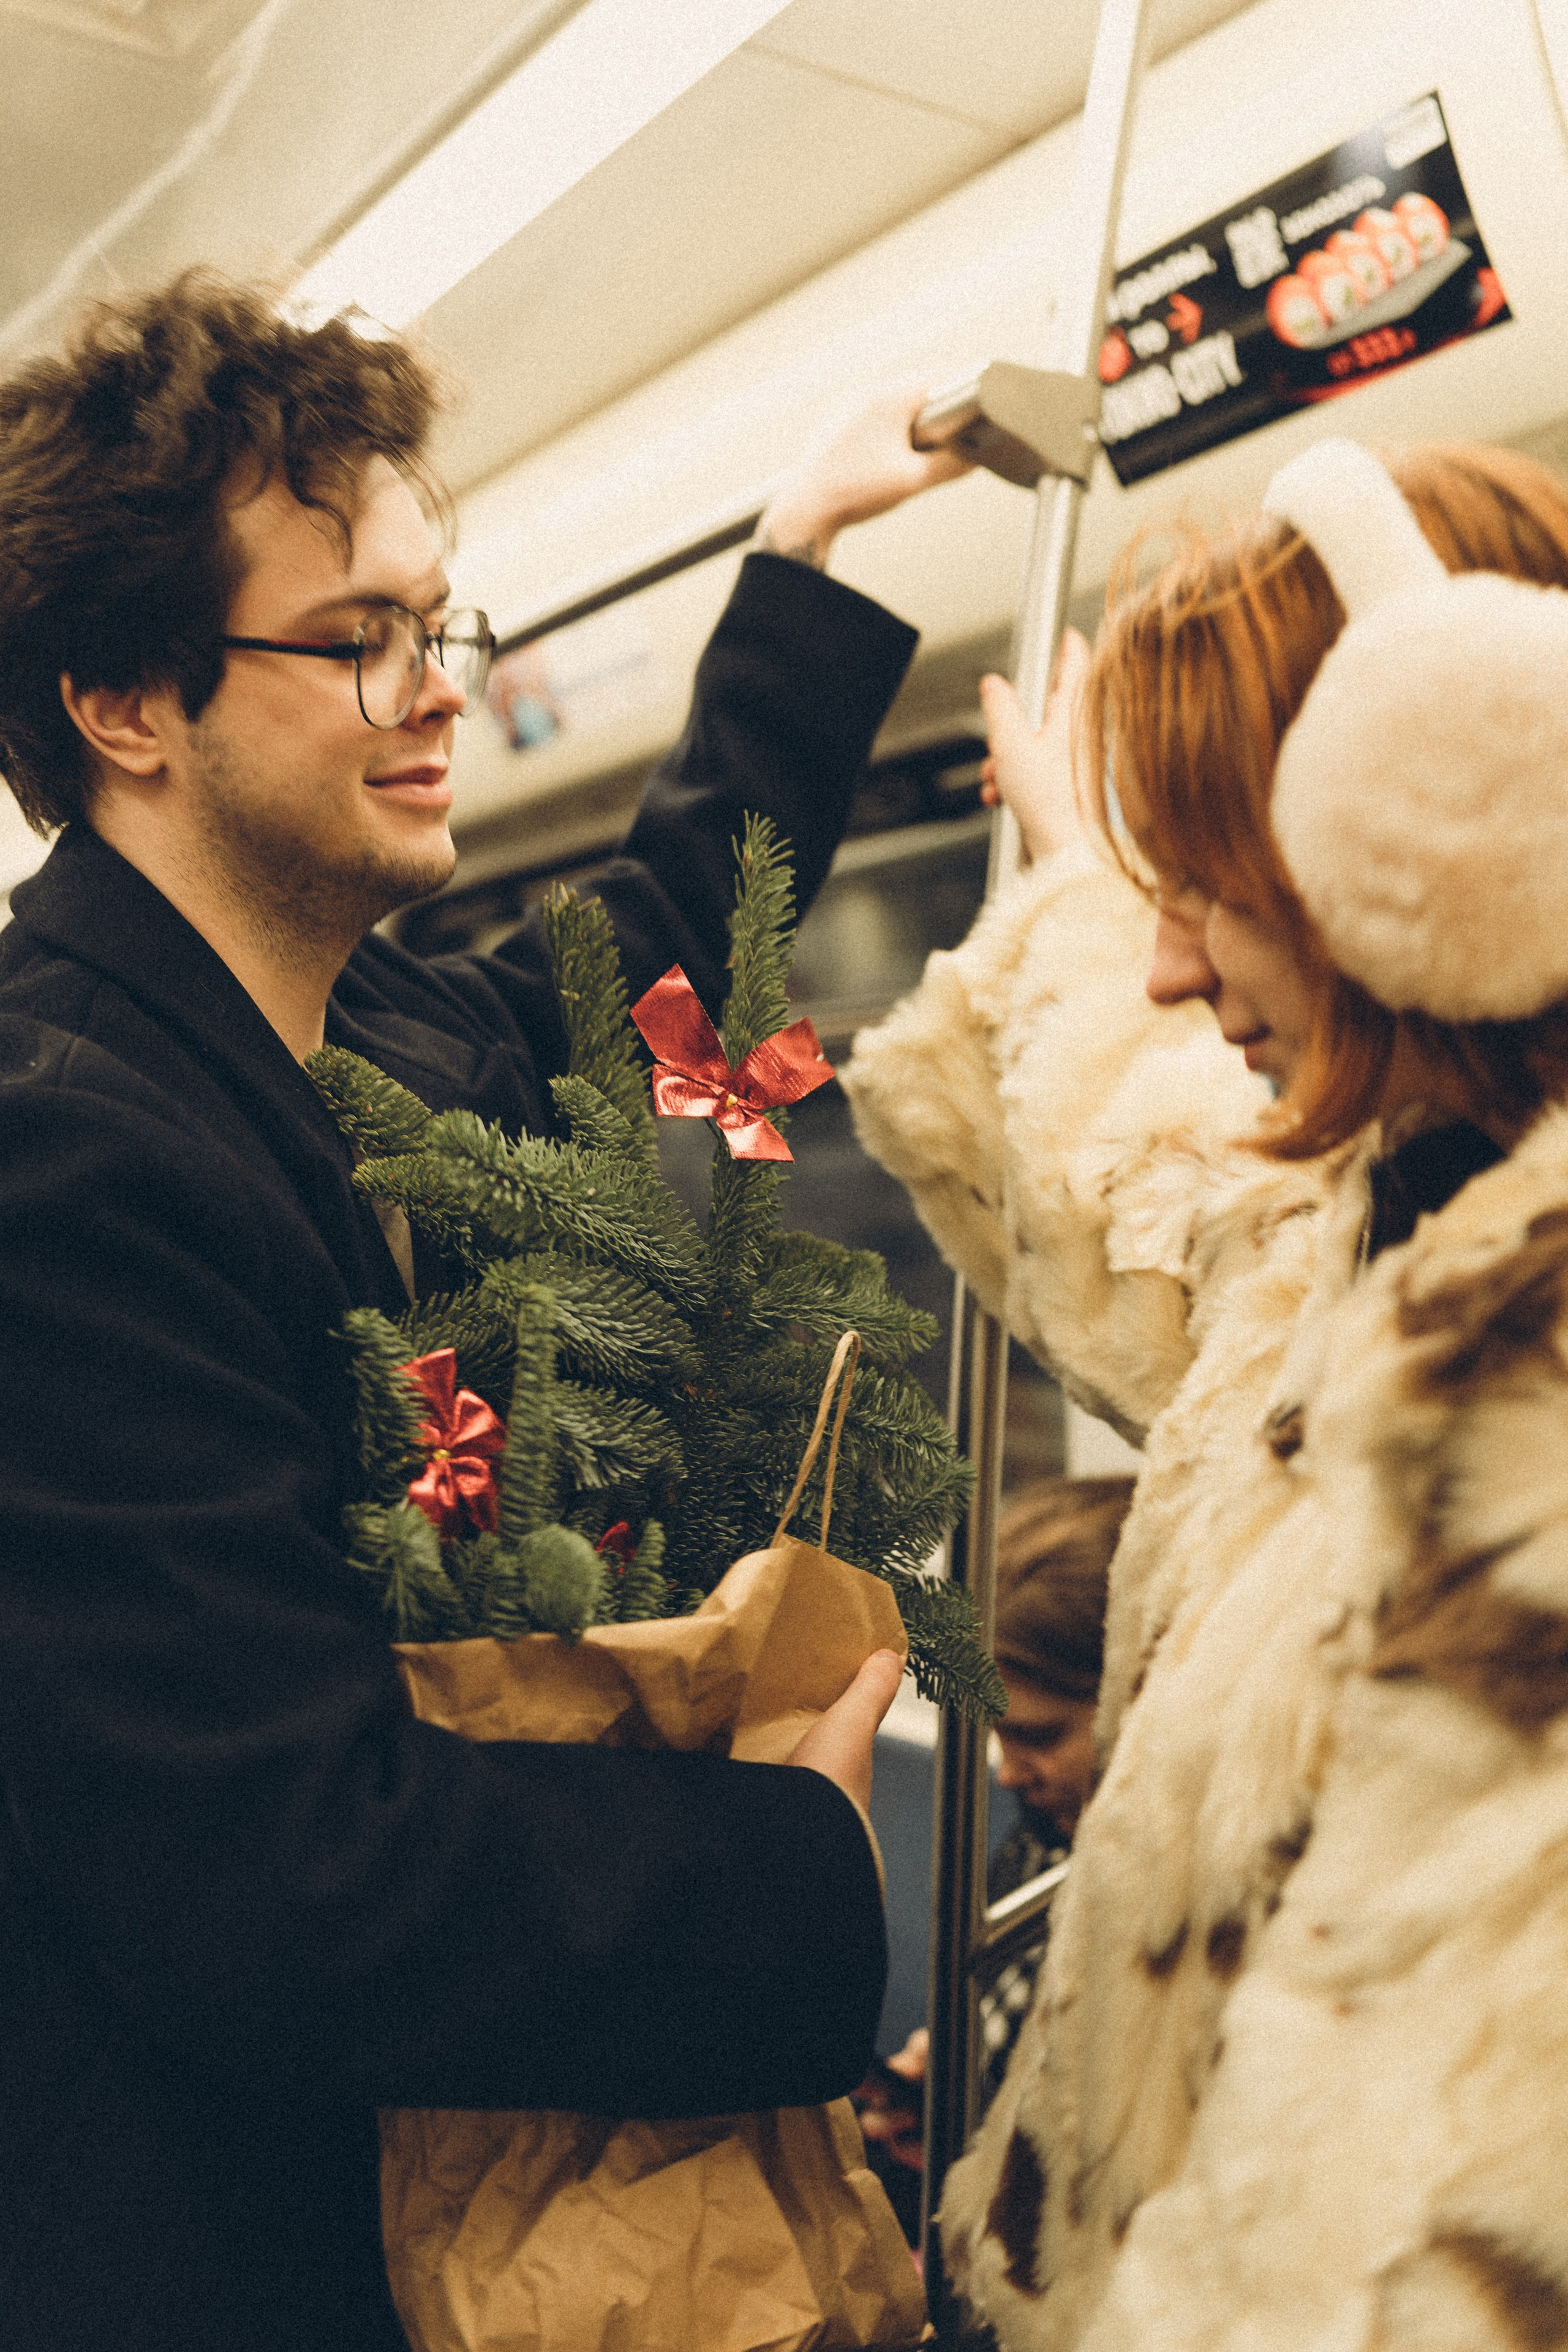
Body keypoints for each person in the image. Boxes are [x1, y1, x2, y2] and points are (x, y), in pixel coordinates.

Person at [0, 273, 971, 2352]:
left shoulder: (366, 1032)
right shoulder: (62, 1166)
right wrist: (799, 1862)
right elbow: (282, 1875)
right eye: (358, 644)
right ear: (123, 703)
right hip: (222, 2256)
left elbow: (658, 950)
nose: (436, 690)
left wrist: (795, 561)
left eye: (436, 627)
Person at [843, 437, 1568, 2348]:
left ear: (1430, 859)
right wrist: (1079, 884)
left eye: (1216, 895)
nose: (1165, 970)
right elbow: (1153, 1195)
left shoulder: (1535, 1418)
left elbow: (1422, 2239)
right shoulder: (1394, 1238)